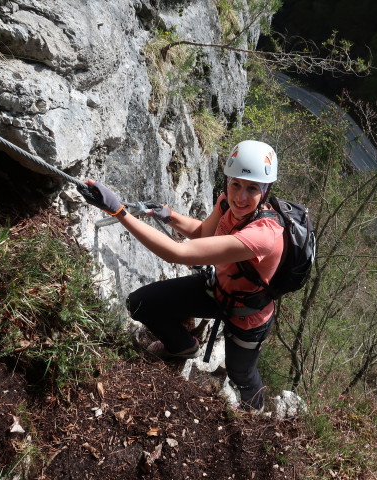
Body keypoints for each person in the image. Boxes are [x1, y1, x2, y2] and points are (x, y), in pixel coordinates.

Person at [80, 140, 284, 412]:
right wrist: (169, 216)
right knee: (140, 303)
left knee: (241, 374)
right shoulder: (227, 203)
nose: (241, 197)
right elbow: (202, 234)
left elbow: (177, 253)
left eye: (252, 189)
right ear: (227, 183)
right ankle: (184, 347)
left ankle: (255, 417)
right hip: (217, 289)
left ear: (266, 191)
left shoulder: (264, 236)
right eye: (235, 184)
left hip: (248, 315)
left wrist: (119, 212)